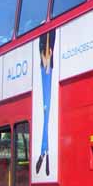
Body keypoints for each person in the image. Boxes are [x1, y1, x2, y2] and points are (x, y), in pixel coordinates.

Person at [35, 31, 54, 176]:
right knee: (46, 121)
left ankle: (44, 153)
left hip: (46, 93)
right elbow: (46, 53)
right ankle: (44, 153)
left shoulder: (46, 68)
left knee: (46, 121)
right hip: (46, 94)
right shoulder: (46, 68)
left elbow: (45, 52)